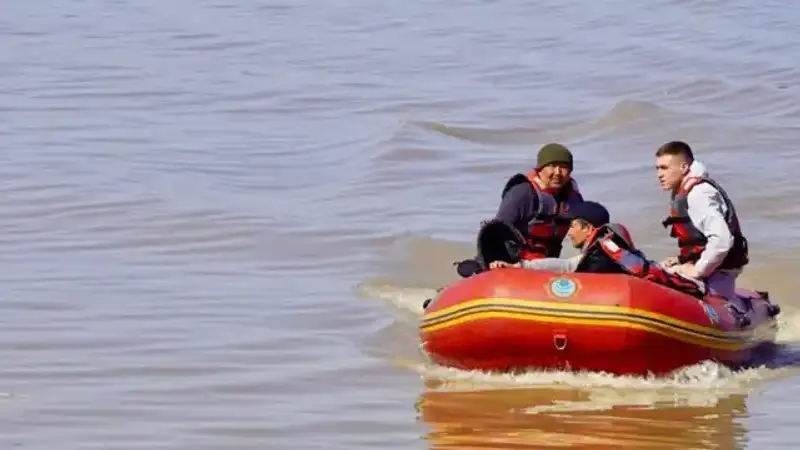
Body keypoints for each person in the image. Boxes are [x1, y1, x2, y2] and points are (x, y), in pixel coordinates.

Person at [489, 201, 708, 299]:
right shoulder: (597, 249)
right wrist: (520, 266)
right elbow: (567, 265)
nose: (568, 232)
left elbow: (641, 270)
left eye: (573, 225)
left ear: (587, 227)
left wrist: (689, 285)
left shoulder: (606, 247)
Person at [654, 140, 749, 306]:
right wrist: (681, 259)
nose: (659, 175)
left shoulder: (699, 194)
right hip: (710, 267)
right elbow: (700, 238)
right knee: (659, 269)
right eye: (657, 169)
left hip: (720, 272)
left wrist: (697, 271)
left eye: (664, 168)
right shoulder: (684, 190)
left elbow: (722, 241)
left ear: (684, 168)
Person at [495, 142, 584, 260]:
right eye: (552, 166)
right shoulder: (522, 193)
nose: (557, 172)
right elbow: (496, 232)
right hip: (515, 262)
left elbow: (588, 229)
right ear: (540, 169)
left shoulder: (573, 197)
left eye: (563, 167)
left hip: (548, 265)